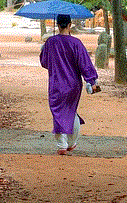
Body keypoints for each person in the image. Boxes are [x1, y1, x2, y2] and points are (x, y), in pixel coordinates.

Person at [39, 12, 101, 154]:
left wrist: (45, 50)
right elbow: (85, 64)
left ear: (57, 25)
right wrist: (91, 80)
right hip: (73, 84)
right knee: (70, 111)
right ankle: (71, 143)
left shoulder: (50, 42)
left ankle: (62, 144)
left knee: (58, 112)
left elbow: (44, 62)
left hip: (56, 83)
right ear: (69, 25)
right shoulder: (76, 43)